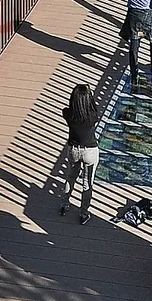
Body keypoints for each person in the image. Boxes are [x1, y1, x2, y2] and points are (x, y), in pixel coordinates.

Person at [57, 83, 101, 224]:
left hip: (74, 150)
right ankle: (83, 213)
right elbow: (93, 107)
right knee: (87, 184)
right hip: (90, 150)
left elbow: (66, 109)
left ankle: (64, 205)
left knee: (71, 177)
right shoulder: (93, 116)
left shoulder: (68, 114)